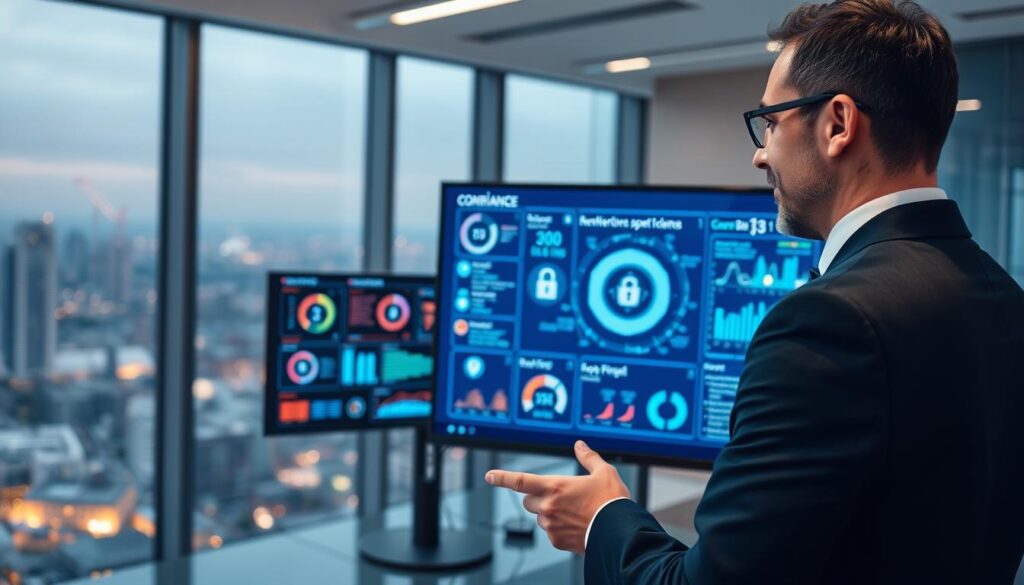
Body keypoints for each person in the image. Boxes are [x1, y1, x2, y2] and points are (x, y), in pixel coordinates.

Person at [484, 0, 1024, 583]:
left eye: (771, 122)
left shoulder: (829, 321)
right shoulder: (1003, 297)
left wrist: (602, 520)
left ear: (838, 124)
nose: (760, 153)